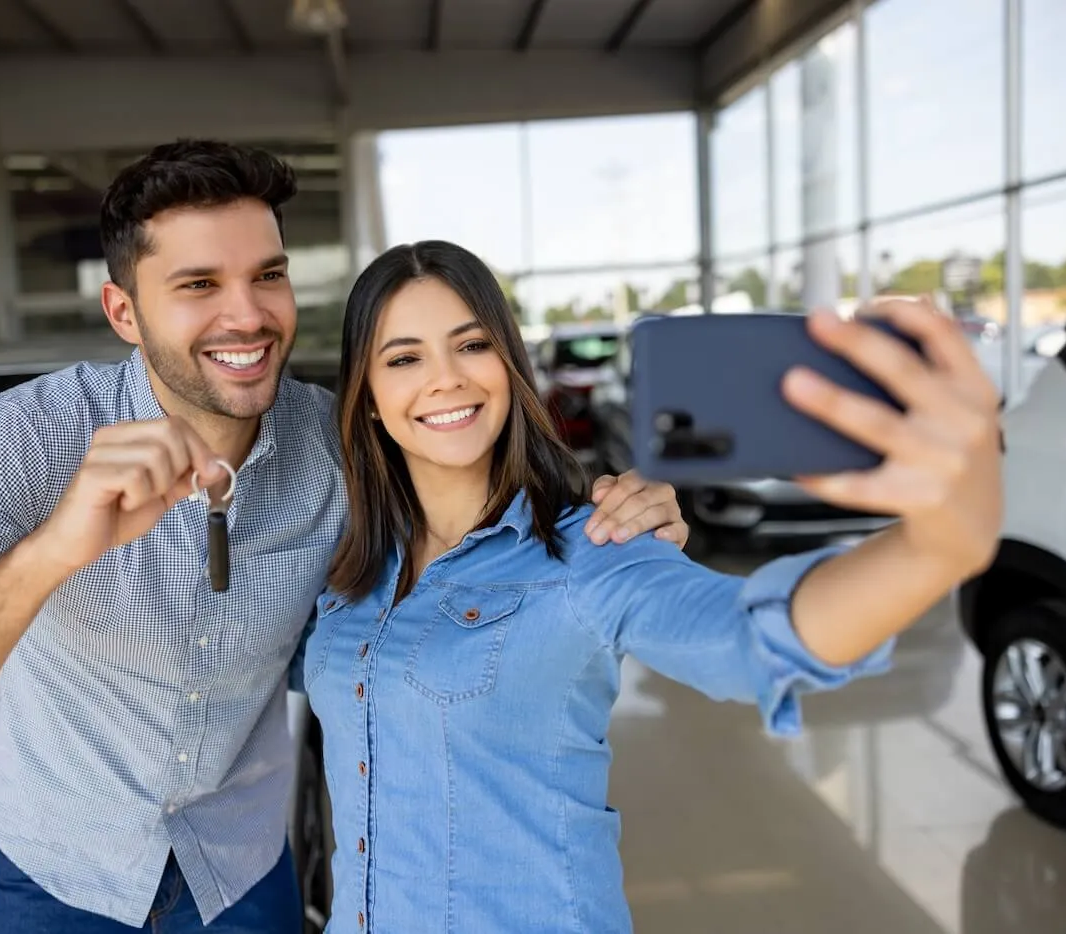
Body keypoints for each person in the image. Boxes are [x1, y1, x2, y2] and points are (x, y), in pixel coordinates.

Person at [0, 141, 689, 934]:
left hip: (242, 875)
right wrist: (53, 549)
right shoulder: (25, 441)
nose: (249, 316)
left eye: (267, 275)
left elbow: (460, 551)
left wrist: (612, 524)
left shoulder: (338, 448)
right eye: (198, 286)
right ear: (122, 311)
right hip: (62, 877)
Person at [303, 240, 1002, 933]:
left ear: (511, 367)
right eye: (403, 358)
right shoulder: (347, 572)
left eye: (473, 345)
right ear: (366, 399)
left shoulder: (593, 551)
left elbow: (748, 639)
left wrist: (935, 547)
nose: (446, 378)